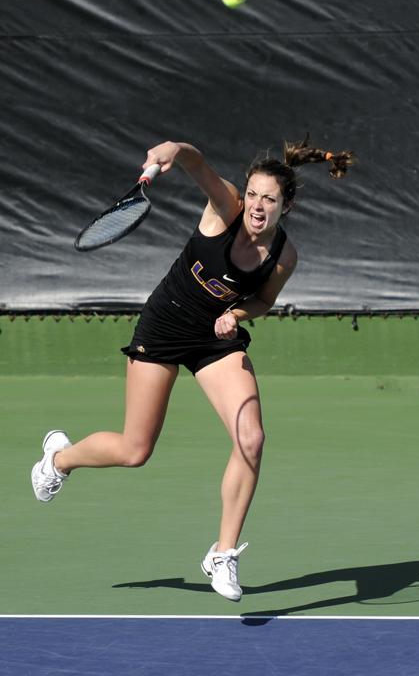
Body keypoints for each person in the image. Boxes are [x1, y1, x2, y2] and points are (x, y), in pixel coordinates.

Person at [31, 137, 355, 601]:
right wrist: (172, 150)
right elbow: (197, 163)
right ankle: (59, 458)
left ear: (287, 206)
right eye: (255, 194)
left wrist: (236, 315)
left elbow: (262, 301)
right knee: (134, 449)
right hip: (164, 326)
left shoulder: (284, 256)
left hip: (214, 339)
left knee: (251, 439)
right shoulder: (226, 207)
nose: (259, 206)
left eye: (271, 199)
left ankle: (222, 554)